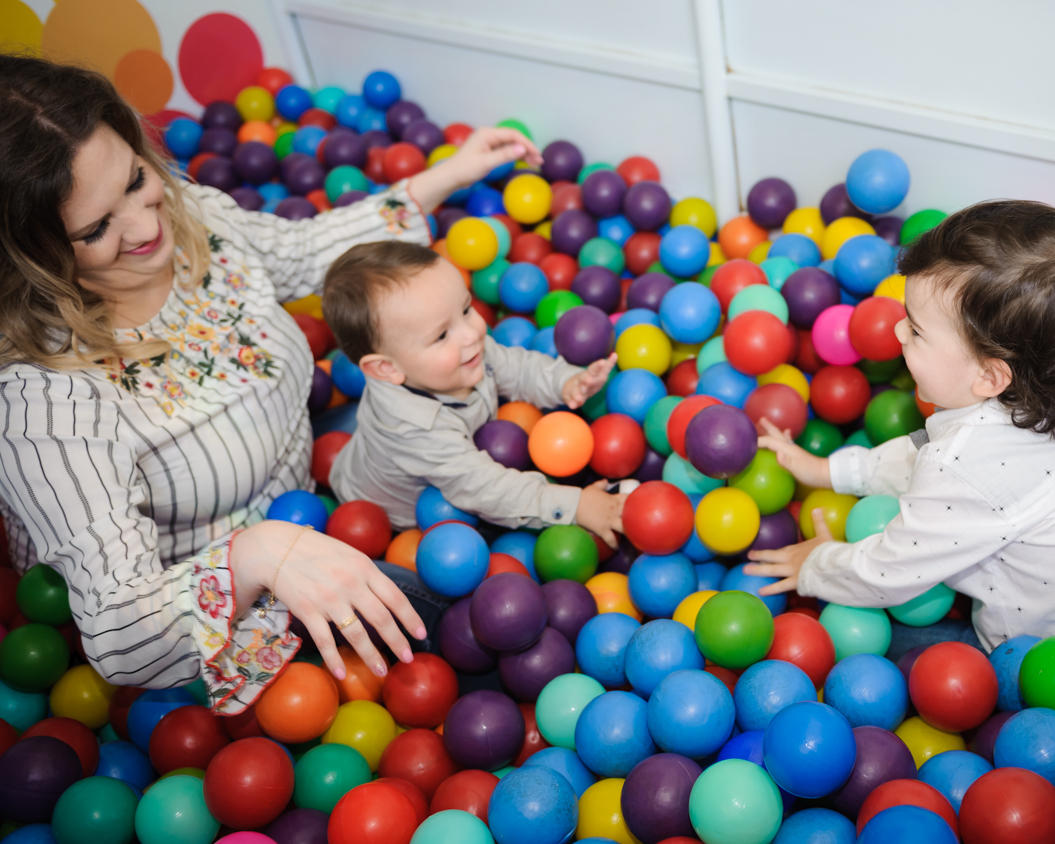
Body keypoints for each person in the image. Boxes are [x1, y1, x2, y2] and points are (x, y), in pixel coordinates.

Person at [0, 54, 541, 711]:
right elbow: (122, 631)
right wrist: (256, 557)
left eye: (136, 179)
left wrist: (448, 175)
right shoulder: (43, 399)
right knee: (486, 636)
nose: (146, 225)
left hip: (319, 490)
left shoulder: (195, 220)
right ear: (30, 256)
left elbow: (304, 251)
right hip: (228, 612)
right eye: (95, 229)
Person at [745, 200, 1055, 653]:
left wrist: (816, 564)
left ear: (990, 377)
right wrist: (832, 472)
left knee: (884, 641)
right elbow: (932, 454)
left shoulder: (962, 465)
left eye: (916, 331)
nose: (897, 333)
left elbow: (887, 571)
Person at [322, 241, 627, 546]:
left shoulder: (462, 352)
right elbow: (484, 489)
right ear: (387, 368)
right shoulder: (413, 430)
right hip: (392, 517)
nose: (472, 333)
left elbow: (519, 368)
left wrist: (566, 382)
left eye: (466, 310)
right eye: (442, 335)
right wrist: (576, 506)